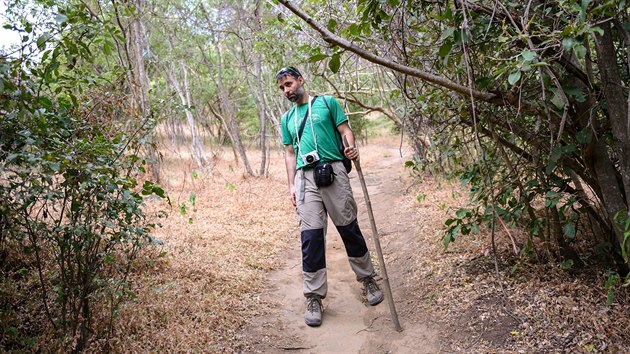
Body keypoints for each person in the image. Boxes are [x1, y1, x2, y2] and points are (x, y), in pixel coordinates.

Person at [276, 66, 384, 327]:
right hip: (305, 179)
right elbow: (290, 154)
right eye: (282, 88)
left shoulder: (327, 103)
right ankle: (313, 296)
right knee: (311, 237)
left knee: (349, 228)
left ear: (301, 80)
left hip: (334, 171)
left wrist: (351, 147)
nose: (286, 90)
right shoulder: (287, 118)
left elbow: (345, 130)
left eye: (289, 84)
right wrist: (292, 185)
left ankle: (368, 279)